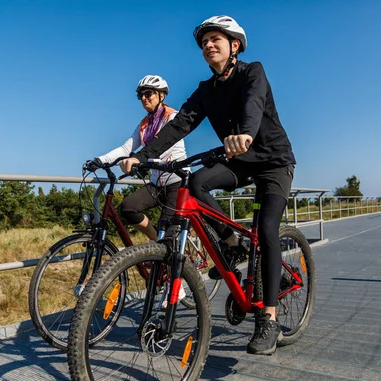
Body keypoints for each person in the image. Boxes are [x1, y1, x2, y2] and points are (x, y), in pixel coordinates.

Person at [119, 16, 296, 356]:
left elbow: (253, 103)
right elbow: (180, 125)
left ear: (235, 46)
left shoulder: (252, 72)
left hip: (273, 162)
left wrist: (245, 132)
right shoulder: (205, 91)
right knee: (197, 182)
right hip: (239, 160)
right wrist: (143, 155)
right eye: (204, 42)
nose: (209, 46)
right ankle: (231, 242)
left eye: (216, 39)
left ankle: (269, 319)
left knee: (269, 231)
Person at [84, 75, 188, 303]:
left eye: (148, 93)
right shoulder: (144, 124)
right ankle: (154, 240)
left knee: (169, 236)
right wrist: (99, 160)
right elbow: (126, 147)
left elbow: (163, 145)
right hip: (156, 182)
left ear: (161, 96)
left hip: (176, 182)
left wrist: (140, 160)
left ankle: (175, 283)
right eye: (140, 95)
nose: (143, 98)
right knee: (129, 207)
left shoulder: (173, 117)